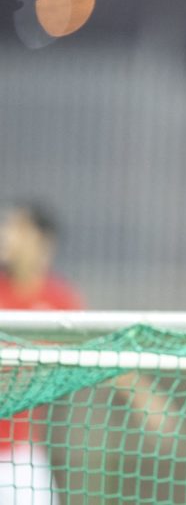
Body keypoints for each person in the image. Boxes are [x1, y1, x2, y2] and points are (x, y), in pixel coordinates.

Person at [0, 201, 83, 505]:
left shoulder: (58, 298)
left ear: (42, 243)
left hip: (19, 453)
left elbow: (100, 352)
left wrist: (149, 401)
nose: (6, 235)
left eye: (17, 228)